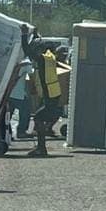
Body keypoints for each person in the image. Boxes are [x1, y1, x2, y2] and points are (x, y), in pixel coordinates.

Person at [21, 25, 63, 158]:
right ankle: (41, 147)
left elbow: (27, 51)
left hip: (50, 97)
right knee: (40, 118)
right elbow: (36, 45)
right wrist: (35, 34)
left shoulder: (43, 59)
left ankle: (41, 148)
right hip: (53, 95)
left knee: (38, 118)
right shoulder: (50, 57)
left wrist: (24, 34)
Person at [9, 58, 35, 139]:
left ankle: (8, 133)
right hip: (19, 93)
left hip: (9, 92)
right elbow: (32, 76)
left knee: (8, 114)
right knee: (25, 113)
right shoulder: (27, 63)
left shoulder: (14, 61)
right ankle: (21, 131)